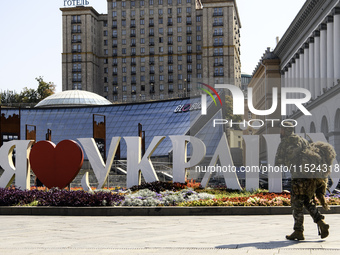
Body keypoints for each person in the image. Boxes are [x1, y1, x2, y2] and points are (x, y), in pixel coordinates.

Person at [275, 122, 330, 241]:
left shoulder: (284, 143)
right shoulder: (302, 140)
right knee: (308, 201)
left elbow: (278, 162)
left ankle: (298, 231)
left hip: (298, 178)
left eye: (282, 130)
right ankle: (321, 222)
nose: (280, 132)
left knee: (297, 204)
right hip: (309, 177)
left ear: (285, 130)